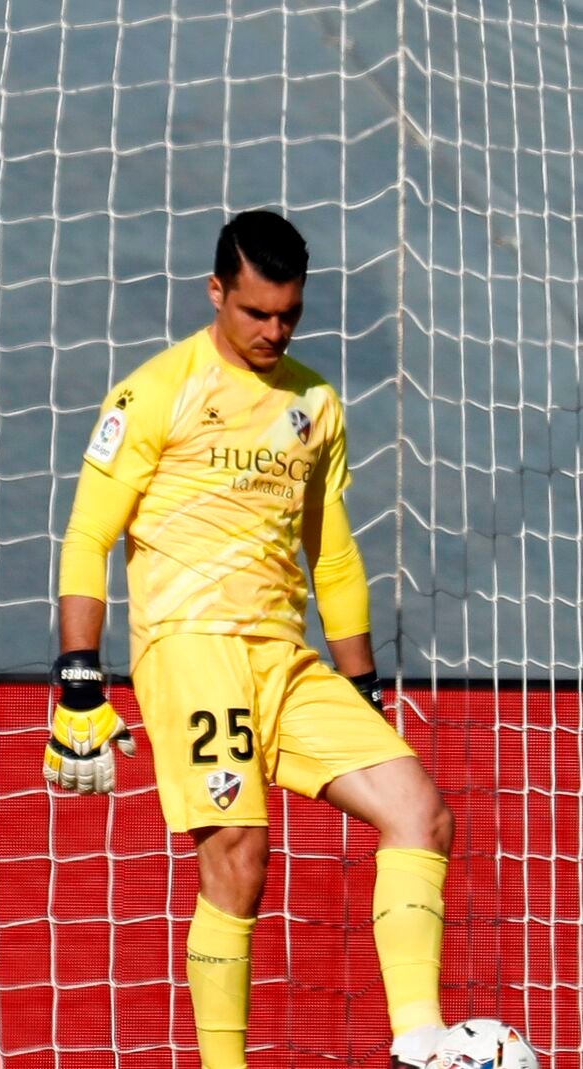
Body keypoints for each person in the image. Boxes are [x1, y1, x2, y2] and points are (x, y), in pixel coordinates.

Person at [45, 210, 455, 1069]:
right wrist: (80, 676)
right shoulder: (156, 389)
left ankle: (420, 1043)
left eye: (288, 315)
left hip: (288, 658)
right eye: (256, 312)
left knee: (419, 809)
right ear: (217, 293)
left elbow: (331, 551)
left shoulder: (314, 402)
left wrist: (361, 682)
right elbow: (88, 535)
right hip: (193, 647)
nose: (273, 331)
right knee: (239, 855)